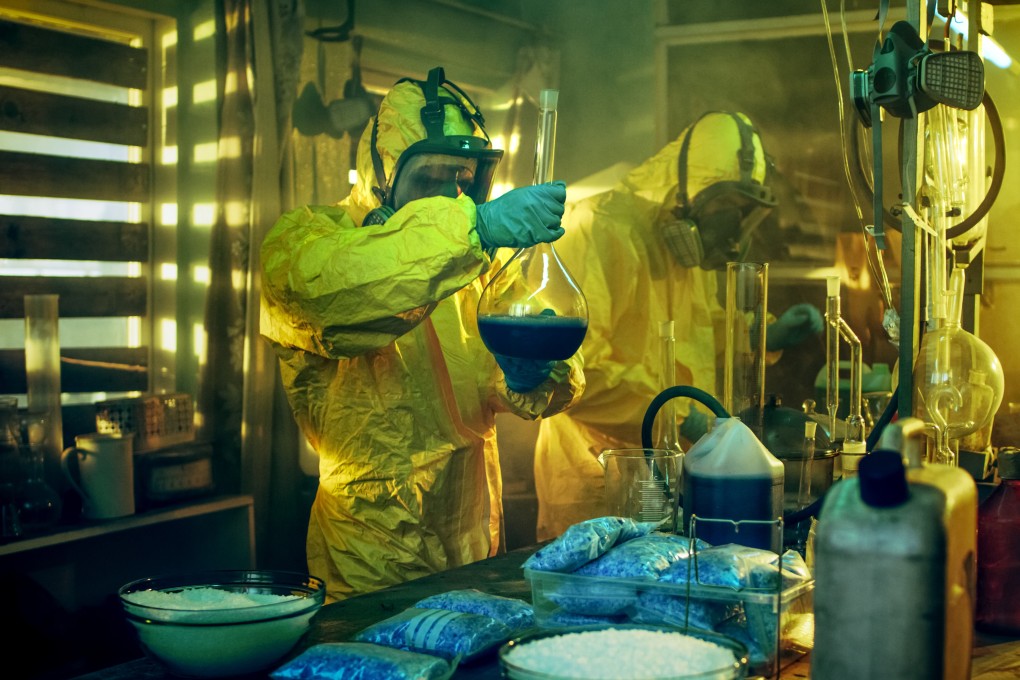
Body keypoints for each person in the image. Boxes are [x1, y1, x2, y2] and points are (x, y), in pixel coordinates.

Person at [260, 66, 585, 600]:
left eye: (463, 181)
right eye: (429, 179)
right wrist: (474, 230)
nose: (447, 199)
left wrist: (532, 376)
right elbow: (339, 295)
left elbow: (535, 385)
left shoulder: (472, 262)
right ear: (382, 178)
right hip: (368, 560)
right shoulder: (308, 242)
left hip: (473, 548)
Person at [533, 111, 823, 541]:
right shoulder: (597, 231)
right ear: (687, 195)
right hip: (599, 482)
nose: (734, 228)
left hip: (678, 476)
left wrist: (756, 337)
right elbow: (572, 374)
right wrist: (679, 416)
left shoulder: (689, 250)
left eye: (744, 211)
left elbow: (696, 337)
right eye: (729, 207)